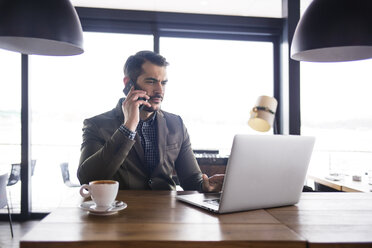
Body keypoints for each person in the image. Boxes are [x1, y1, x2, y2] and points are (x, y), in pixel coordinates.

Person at [77, 50, 224, 192]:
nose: (159, 90)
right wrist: (128, 127)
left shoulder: (176, 124)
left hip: (165, 213)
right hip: (122, 212)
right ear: (128, 83)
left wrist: (205, 185)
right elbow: (87, 179)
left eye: (163, 83)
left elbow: (192, 180)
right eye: (152, 81)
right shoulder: (97, 125)